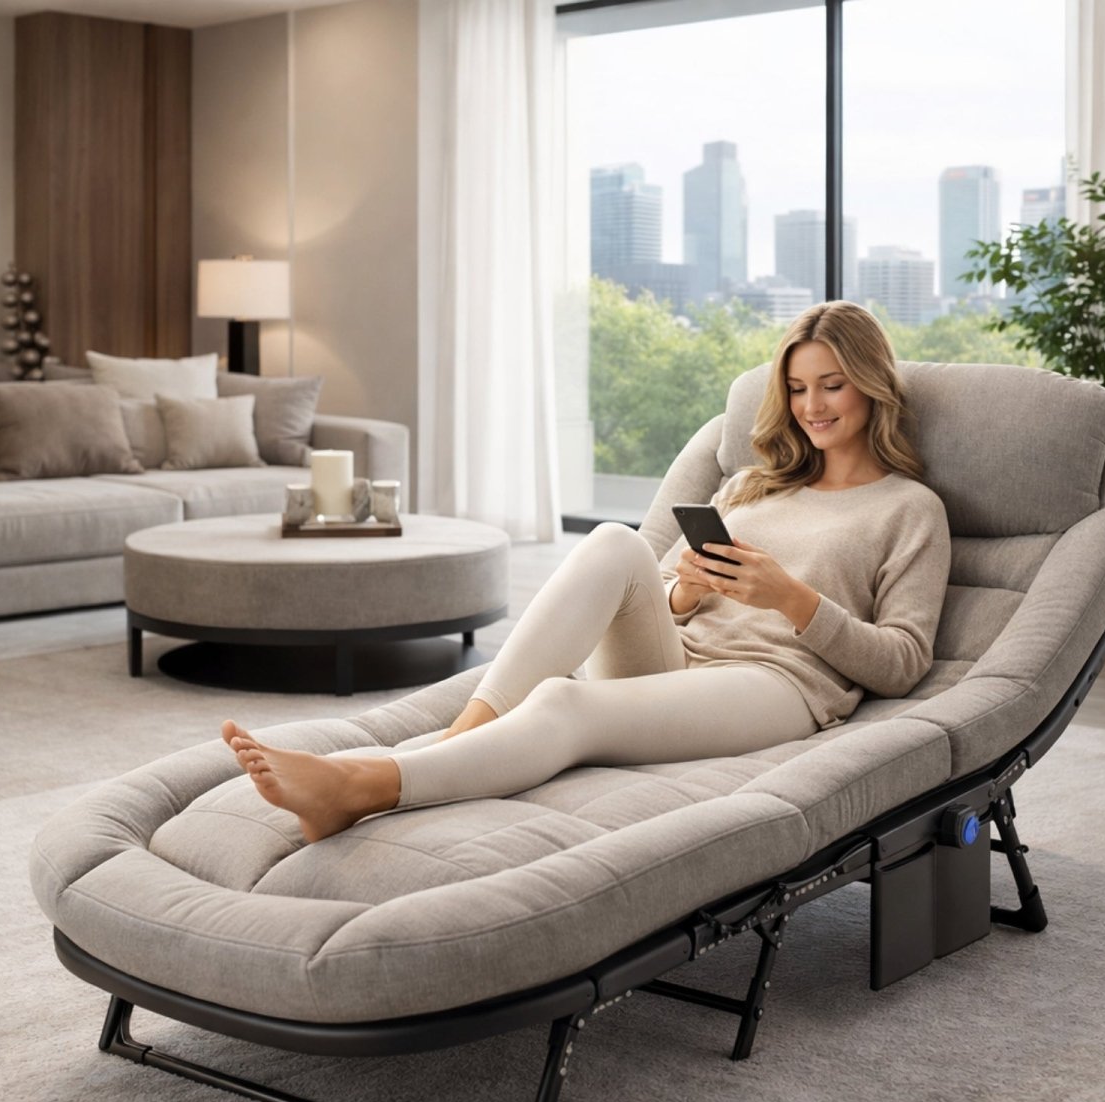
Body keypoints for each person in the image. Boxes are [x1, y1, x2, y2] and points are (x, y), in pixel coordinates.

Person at [223, 301, 951, 844]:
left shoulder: (909, 509)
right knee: (611, 541)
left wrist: (794, 599)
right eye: (796, 389)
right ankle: (461, 740)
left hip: (778, 685)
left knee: (561, 705)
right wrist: (687, 590)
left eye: (830, 386)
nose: (811, 406)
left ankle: (361, 784)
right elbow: (662, 595)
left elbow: (903, 663)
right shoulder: (756, 485)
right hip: (680, 660)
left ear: (869, 385)